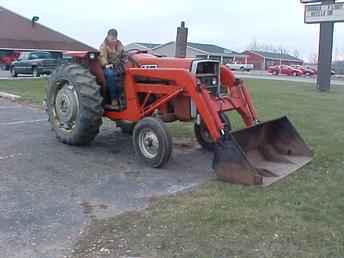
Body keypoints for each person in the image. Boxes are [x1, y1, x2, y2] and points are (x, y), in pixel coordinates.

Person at [99, 29, 126, 109]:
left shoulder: (119, 45)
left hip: (118, 66)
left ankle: (124, 98)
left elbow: (124, 54)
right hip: (107, 67)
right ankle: (114, 99)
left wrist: (126, 59)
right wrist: (106, 64)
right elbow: (102, 57)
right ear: (108, 37)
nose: (113, 40)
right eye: (112, 38)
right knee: (110, 75)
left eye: (115, 38)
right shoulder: (104, 46)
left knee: (128, 73)